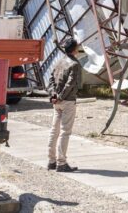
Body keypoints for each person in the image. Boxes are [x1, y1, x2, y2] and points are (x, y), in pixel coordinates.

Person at [46, 38, 82, 173]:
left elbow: (50, 79)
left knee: (54, 131)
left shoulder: (59, 62)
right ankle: (61, 163)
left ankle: (51, 161)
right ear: (74, 49)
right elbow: (71, 83)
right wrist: (60, 96)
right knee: (65, 132)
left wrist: (53, 95)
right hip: (67, 101)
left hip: (57, 102)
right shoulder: (74, 64)